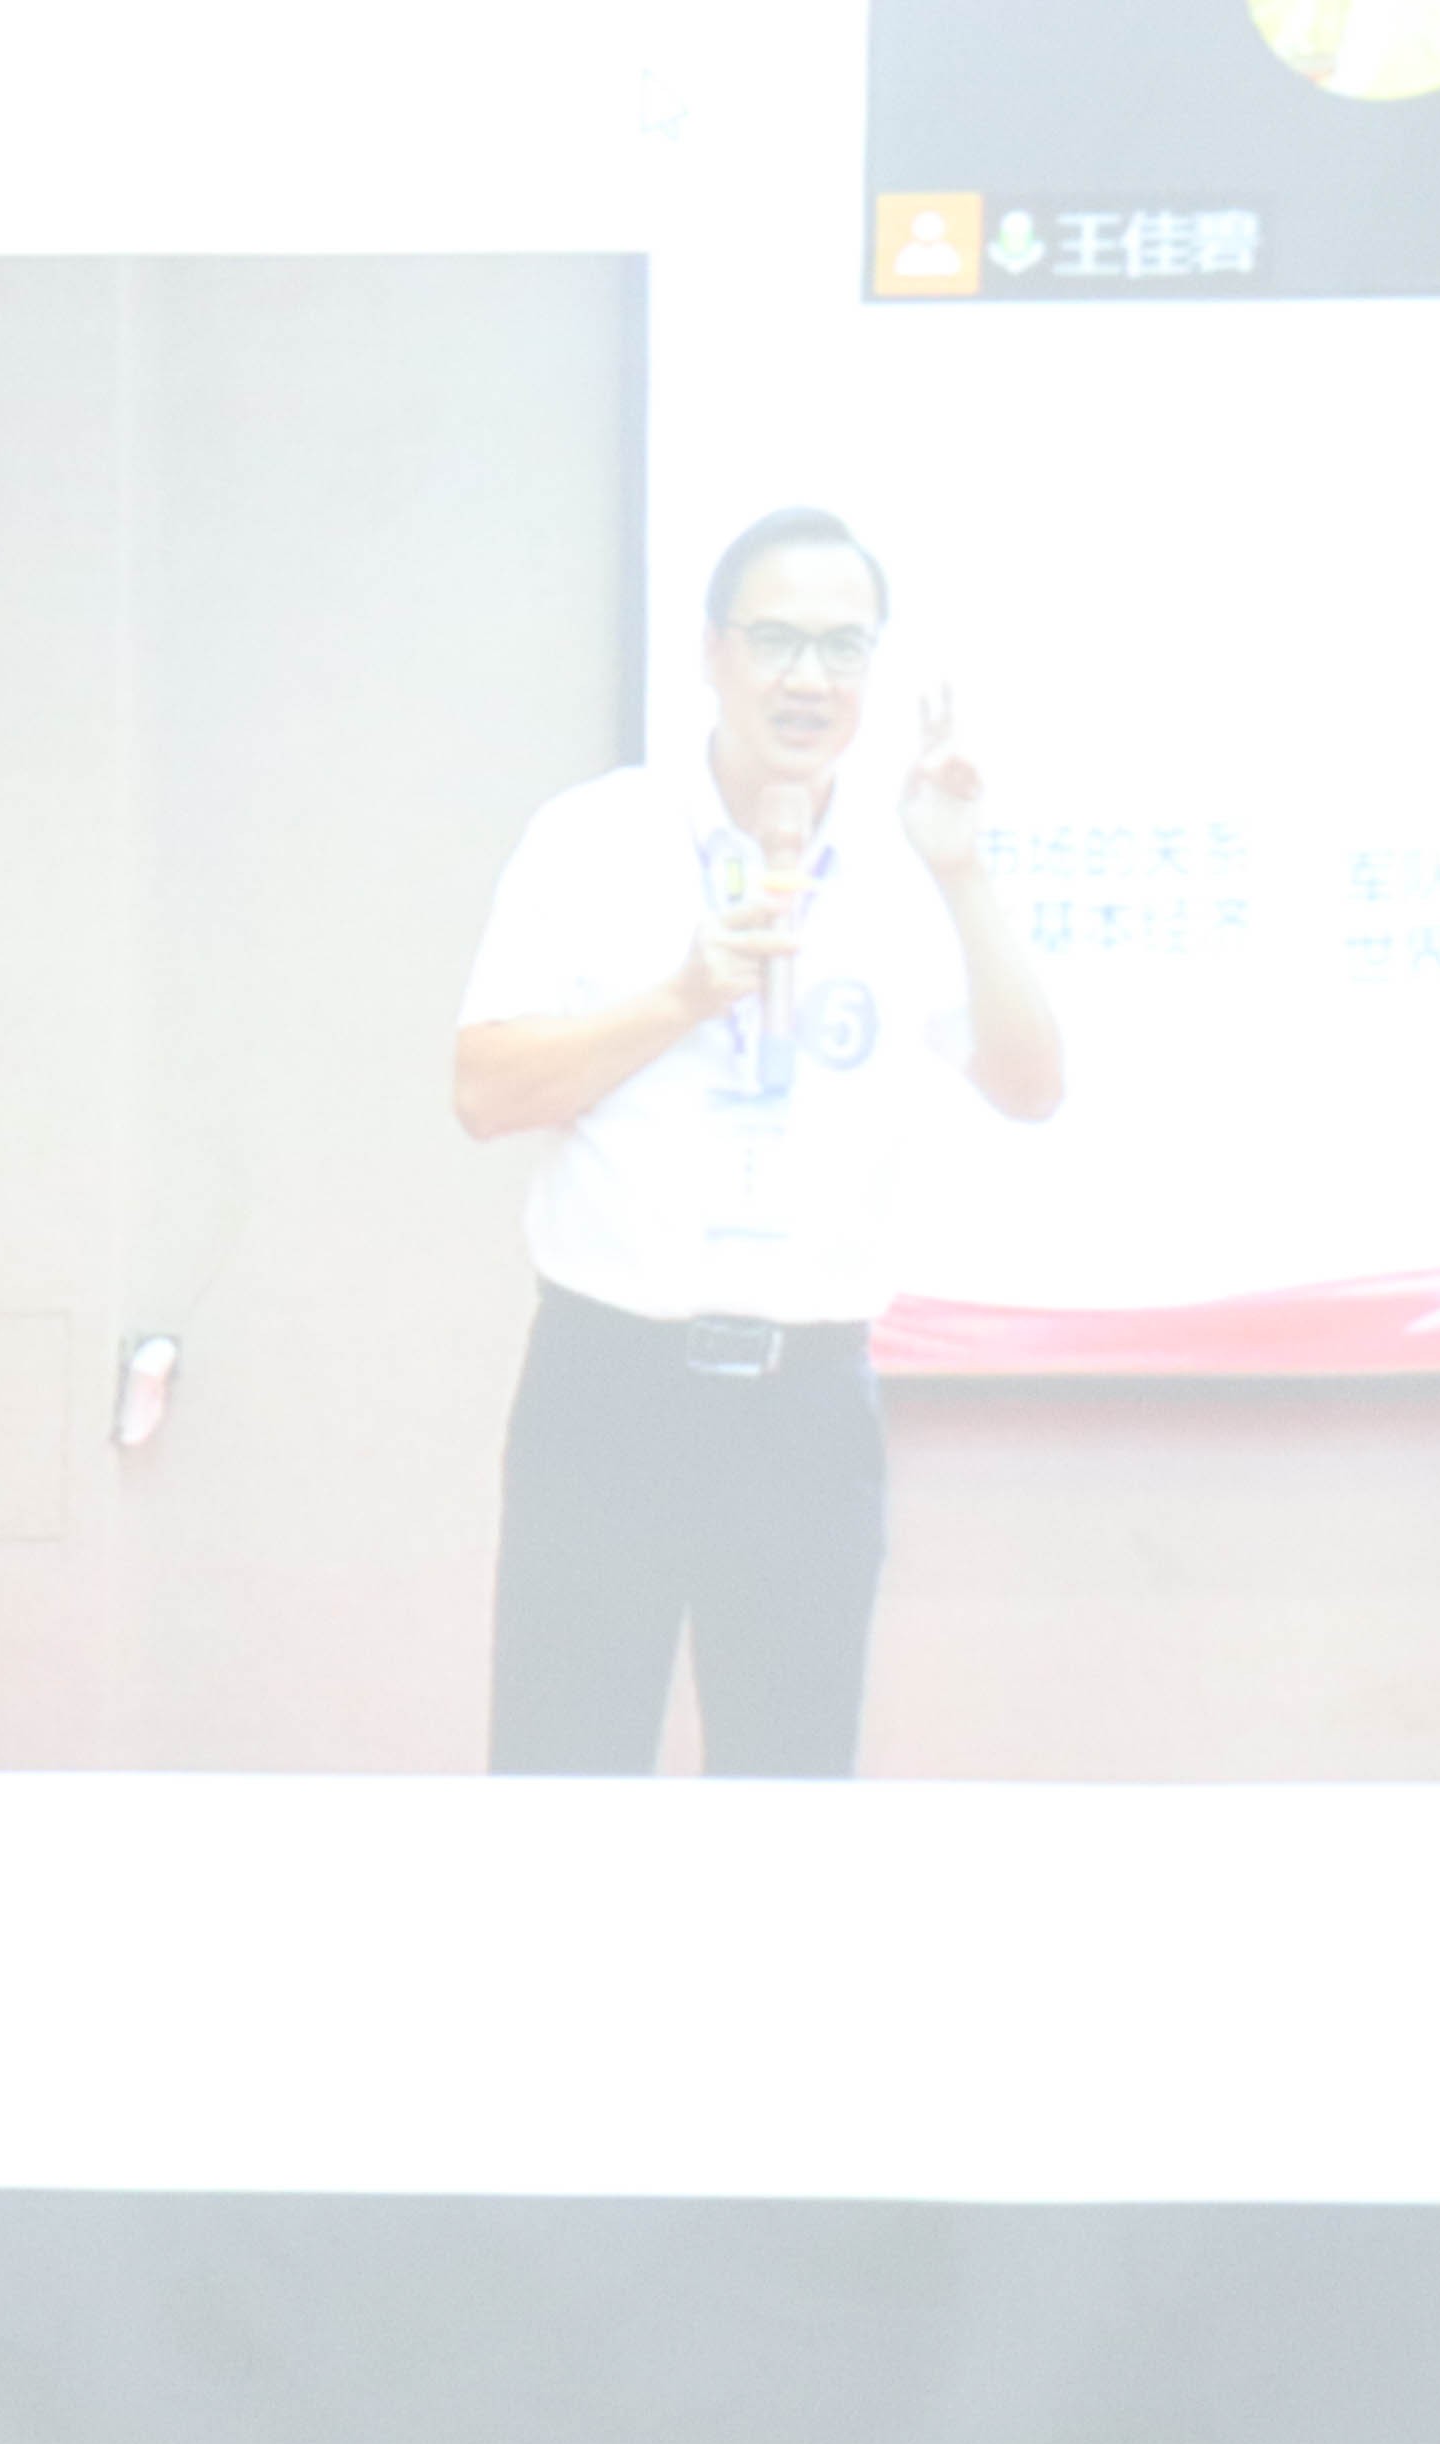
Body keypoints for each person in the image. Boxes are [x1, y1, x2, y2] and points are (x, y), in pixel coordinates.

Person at [450, 504, 1064, 1778]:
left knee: (790, 1794)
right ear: (711, 652)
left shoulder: (905, 864)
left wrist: (963, 874)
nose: (809, 679)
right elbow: (485, 1089)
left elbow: (1032, 1084)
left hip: (806, 1405)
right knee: (561, 1782)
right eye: (778, 640)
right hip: (609, 1383)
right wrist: (682, 998)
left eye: (844, 648)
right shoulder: (595, 838)